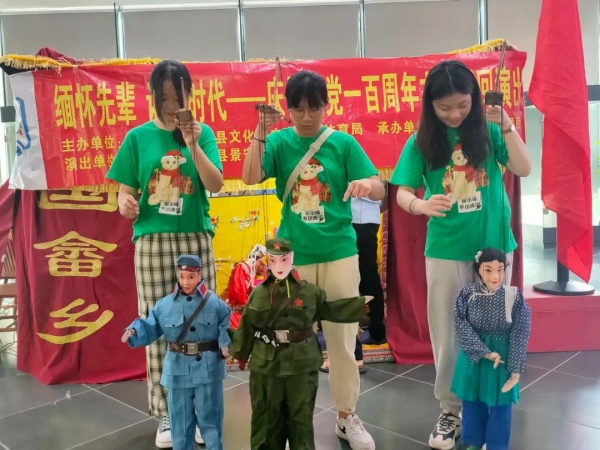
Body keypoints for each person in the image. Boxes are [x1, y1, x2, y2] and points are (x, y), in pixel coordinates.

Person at [389, 60, 531, 450]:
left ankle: (489, 407)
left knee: (497, 330)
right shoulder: (422, 141)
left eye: (463, 105)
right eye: (444, 107)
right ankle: (451, 410)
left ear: (475, 98)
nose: (454, 114)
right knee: (450, 335)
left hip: (495, 248)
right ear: (429, 104)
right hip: (446, 250)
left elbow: (523, 167)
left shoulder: (489, 130)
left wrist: (507, 124)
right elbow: (402, 191)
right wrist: (420, 205)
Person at [242, 69, 385, 450]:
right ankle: (291, 422)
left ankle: (346, 416)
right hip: (294, 260)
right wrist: (260, 130)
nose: (307, 116)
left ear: (326, 106)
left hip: (340, 252)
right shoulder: (278, 142)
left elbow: (378, 187)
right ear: (288, 109)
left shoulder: (343, 143)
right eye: (299, 108)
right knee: (289, 342)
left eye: (314, 108)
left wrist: (366, 185)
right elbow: (250, 175)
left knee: (342, 341)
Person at [106, 59, 224, 448]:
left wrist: (192, 144)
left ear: (191, 95)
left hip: (194, 238)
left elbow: (216, 184)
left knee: (202, 325)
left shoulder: (203, 134)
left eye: (179, 97)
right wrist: (125, 203)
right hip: (153, 242)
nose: (172, 106)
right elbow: (124, 191)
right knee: (159, 325)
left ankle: (203, 412)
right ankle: (167, 414)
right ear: (153, 97)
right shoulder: (137, 138)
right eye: (165, 98)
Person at [230, 238, 372, 450]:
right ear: (267, 261)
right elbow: (247, 325)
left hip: (301, 363)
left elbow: (330, 310)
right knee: (267, 419)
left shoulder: (310, 293)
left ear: (292, 259)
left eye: (284, 259)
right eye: (273, 260)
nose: (279, 266)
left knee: (301, 419)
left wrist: (359, 306)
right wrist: (240, 353)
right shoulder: (258, 294)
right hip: (267, 364)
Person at [121, 255, 231, 450]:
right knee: (180, 421)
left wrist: (224, 342)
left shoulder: (213, 302)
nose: (186, 282)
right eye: (182, 276)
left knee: (211, 418)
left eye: (191, 277)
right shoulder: (166, 305)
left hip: (208, 368)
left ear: (200, 275)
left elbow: (226, 319)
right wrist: (134, 330)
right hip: (178, 368)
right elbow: (151, 324)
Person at [451, 248, 531, 450]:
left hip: (503, 356)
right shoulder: (468, 294)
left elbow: (520, 331)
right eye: (488, 270)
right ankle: (474, 442)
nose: (495, 276)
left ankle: (497, 445)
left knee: (500, 404)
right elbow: (461, 323)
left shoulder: (514, 297)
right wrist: (484, 352)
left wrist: (515, 369)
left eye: (500, 269)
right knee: (472, 401)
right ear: (479, 270)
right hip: (475, 355)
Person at [351, 195, 387, 344]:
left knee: (367, 275)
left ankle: (376, 330)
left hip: (361, 218)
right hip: (357, 216)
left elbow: (383, 194)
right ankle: (375, 331)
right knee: (367, 275)